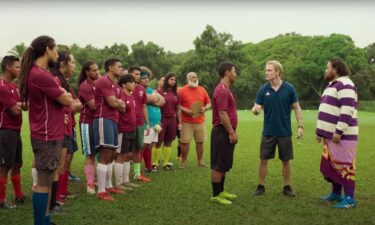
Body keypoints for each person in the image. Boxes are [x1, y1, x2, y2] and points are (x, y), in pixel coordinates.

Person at [19, 35, 73, 225]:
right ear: (48, 50)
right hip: (46, 134)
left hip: (52, 132)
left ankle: (46, 219)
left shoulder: (44, 73)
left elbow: (66, 97)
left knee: (49, 179)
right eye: (55, 49)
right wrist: (65, 95)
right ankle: (39, 222)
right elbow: (67, 100)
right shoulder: (39, 74)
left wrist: (65, 95)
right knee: (43, 181)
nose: (57, 53)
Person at [252, 60, 303, 197]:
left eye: (269, 70)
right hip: (268, 131)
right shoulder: (263, 89)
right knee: (263, 159)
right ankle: (261, 185)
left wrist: (300, 126)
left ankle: (287, 186)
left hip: (284, 132)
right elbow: (256, 108)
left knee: (286, 161)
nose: (266, 72)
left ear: (277, 72)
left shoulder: (289, 88)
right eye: (266, 70)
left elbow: (296, 108)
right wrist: (255, 110)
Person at [316, 58, 358, 209]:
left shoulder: (345, 84)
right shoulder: (331, 86)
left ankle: (349, 198)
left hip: (342, 136)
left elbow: (347, 109)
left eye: (328, 67)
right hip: (330, 136)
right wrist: (319, 132)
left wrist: (339, 130)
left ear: (336, 69)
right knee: (332, 166)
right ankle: (335, 193)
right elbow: (327, 110)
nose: (325, 70)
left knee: (344, 166)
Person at [50, 51, 82, 211]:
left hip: (68, 127)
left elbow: (77, 104)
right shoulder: (54, 80)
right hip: (58, 128)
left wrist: (70, 105)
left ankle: (58, 197)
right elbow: (69, 103)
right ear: (63, 63)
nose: (75, 65)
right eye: (73, 62)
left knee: (61, 165)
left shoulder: (64, 81)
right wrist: (70, 106)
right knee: (55, 167)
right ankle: (53, 201)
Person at [93, 58, 126, 201]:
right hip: (103, 119)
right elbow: (113, 103)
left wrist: (118, 103)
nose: (121, 69)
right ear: (110, 68)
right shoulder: (104, 81)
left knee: (112, 153)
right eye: (119, 66)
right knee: (105, 153)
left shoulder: (117, 86)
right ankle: (101, 191)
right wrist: (118, 103)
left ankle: (108, 185)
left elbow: (124, 107)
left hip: (113, 120)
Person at [210, 63, 238, 205]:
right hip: (222, 131)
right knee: (218, 164)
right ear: (227, 72)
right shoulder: (222, 90)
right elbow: (222, 113)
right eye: (234, 71)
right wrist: (231, 132)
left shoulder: (226, 89)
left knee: (224, 163)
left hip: (225, 130)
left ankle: (221, 191)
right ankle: (216, 195)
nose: (236, 74)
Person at [0, 55, 25, 209]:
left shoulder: (14, 87)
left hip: (15, 130)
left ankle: (19, 195)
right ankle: (1, 200)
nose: (20, 69)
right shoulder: (2, 86)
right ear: (8, 67)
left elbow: (24, 106)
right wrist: (20, 104)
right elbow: (15, 111)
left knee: (17, 163)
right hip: (5, 130)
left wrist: (19, 104)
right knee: (4, 166)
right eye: (17, 67)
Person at [178, 72, 211, 168]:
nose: (195, 79)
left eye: (196, 77)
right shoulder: (182, 90)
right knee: (185, 142)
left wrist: (205, 108)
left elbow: (209, 103)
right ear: (187, 79)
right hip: (186, 121)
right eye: (192, 77)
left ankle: (200, 161)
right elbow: (178, 105)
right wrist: (187, 111)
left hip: (200, 121)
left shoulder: (202, 89)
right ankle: (183, 162)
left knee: (200, 142)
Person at [114, 74, 139, 191]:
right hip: (123, 130)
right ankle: (118, 183)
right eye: (131, 82)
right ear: (124, 84)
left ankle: (126, 180)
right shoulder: (121, 96)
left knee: (129, 155)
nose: (134, 84)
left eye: (134, 82)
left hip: (132, 129)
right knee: (121, 155)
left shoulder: (132, 97)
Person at [78, 61, 100, 194]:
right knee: (90, 153)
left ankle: (94, 178)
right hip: (88, 122)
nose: (97, 72)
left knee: (97, 152)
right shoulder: (85, 86)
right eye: (93, 70)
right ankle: (90, 183)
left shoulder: (98, 84)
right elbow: (93, 105)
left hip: (98, 121)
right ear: (87, 72)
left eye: (98, 70)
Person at [139, 66, 165, 173]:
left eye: (147, 78)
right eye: (143, 78)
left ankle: (148, 167)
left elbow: (162, 101)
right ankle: (137, 171)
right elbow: (153, 99)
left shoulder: (150, 90)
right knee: (142, 146)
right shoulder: (138, 89)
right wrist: (154, 99)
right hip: (145, 123)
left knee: (149, 146)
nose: (146, 80)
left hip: (155, 124)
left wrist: (152, 100)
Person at [154, 72, 181, 171]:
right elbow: (154, 106)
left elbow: (178, 109)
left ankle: (165, 163)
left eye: (174, 80)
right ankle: (155, 163)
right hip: (161, 119)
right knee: (158, 141)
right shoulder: (158, 91)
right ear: (166, 80)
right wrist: (156, 121)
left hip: (172, 120)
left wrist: (180, 122)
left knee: (168, 141)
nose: (173, 81)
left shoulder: (176, 93)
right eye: (171, 79)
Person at [128, 66, 151, 182]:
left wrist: (147, 124)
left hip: (140, 123)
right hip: (127, 123)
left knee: (138, 148)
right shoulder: (123, 87)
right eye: (136, 74)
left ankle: (137, 174)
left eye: (139, 74)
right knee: (126, 151)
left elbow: (144, 107)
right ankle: (122, 176)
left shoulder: (141, 89)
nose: (138, 76)